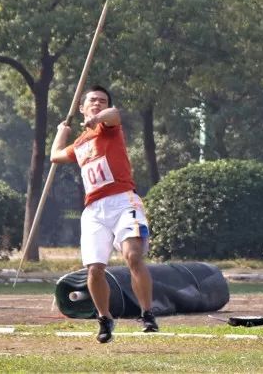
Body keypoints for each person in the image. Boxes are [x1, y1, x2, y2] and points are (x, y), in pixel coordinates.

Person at [50, 84, 158, 343]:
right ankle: (104, 318)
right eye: (93, 100)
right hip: (94, 210)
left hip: (123, 201)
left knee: (133, 256)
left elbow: (115, 114)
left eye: (102, 100)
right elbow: (55, 156)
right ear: (81, 106)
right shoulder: (80, 144)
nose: (98, 103)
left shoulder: (108, 127)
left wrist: (97, 118)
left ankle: (147, 313)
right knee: (95, 269)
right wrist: (60, 132)